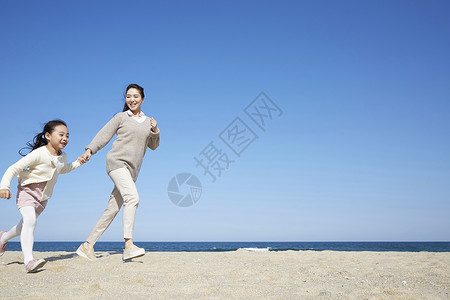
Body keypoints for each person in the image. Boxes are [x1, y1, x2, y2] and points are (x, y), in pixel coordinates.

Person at [76, 83, 160, 261]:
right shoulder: (121, 117)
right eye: (129, 96)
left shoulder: (147, 121)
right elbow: (103, 135)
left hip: (131, 171)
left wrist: (154, 130)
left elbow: (153, 146)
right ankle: (128, 245)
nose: (132, 99)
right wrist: (89, 150)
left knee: (112, 208)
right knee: (133, 198)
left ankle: (87, 245)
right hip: (116, 163)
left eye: (136, 96)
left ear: (142, 99)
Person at [0, 120, 83, 272]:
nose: (65, 138)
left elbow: (63, 169)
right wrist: (4, 186)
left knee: (23, 226)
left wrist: (79, 162)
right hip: (28, 191)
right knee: (30, 221)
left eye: (67, 136)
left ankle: (3, 237)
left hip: (43, 197)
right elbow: (13, 168)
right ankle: (29, 261)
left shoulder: (63, 156)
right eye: (61, 135)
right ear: (48, 136)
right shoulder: (39, 153)